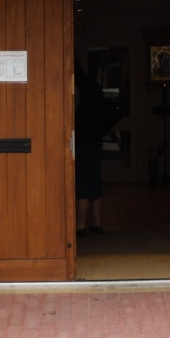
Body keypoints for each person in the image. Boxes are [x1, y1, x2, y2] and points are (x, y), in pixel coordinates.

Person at [74, 58, 110, 236]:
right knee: (94, 180)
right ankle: (97, 223)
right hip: (95, 139)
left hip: (79, 139)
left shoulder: (74, 86)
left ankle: (80, 226)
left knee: (81, 182)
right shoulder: (93, 84)